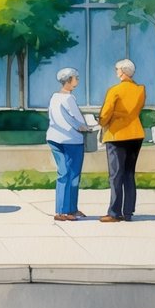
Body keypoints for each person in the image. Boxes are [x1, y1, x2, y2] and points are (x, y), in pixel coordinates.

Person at [98, 59, 146, 223]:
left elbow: (105, 113)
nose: (116, 71)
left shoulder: (115, 90)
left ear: (123, 72)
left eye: (118, 69)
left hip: (117, 134)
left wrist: (102, 123)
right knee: (129, 173)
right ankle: (128, 211)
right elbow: (137, 109)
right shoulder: (140, 90)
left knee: (115, 175)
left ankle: (114, 212)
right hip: (135, 133)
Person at [47, 67, 92, 221]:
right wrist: (87, 127)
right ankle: (68, 210)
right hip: (71, 140)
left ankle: (63, 209)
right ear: (69, 80)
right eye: (76, 78)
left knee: (63, 173)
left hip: (54, 138)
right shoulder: (69, 99)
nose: (77, 80)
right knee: (72, 175)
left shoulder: (54, 97)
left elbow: (56, 118)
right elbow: (78, 121)